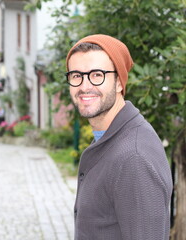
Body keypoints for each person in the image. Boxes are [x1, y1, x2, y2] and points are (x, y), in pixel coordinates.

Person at [65, 34, 173, 239]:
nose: (84, 86)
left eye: (97, 74)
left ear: (119, 82)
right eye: (76, 75)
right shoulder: (108, 137)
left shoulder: (134, 158)